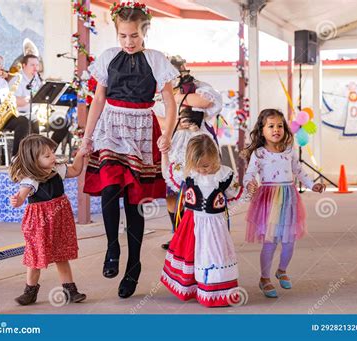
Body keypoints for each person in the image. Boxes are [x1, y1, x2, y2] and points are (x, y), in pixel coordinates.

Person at [79, 2, 178, 298]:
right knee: (110, 188)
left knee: (135, 202)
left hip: (142, 128)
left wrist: (169, 134)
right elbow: (97, 100)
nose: (128, 42)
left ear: (144, 32)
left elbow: (170, 102)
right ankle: (113, 247)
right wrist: (87, 137)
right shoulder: (109, 57)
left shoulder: (157, 60)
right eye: (123, 36)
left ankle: (133, 265)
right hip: (111, 126)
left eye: (133, 35)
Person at [242, 109, 325, 298]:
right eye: (270, 126)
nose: (276, 129)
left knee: (289, 241)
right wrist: (250, 184)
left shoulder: (289, 150)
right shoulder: (259, 153)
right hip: (269, 200)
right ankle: (264, 279)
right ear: (261, 130)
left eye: (280, 125)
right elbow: (248, 175)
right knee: (270, 241)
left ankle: (282, 270)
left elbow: (299, 171)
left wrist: (313, 185)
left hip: (289, 198)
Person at [161, 134, 243, 307]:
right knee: (193, 254)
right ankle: (193, 287)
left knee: (215, 254)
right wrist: (164, 154)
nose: (202, 170)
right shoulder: (188, 173)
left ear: (214, 157)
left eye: (206, 165)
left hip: (216, 225)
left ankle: (216, 291)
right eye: (198, 166)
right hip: (193, 223)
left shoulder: (225, 175)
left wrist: (251, 189)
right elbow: (167, 173)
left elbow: (236, 195)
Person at [9, 135, 87, 305]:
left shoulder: (57, 169)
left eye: (52, 153)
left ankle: (70, 290)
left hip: (60, 220)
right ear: (33, 160)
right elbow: (21, 197)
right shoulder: (30, 179)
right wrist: (17, 201)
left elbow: (75, 170)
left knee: (61, 255)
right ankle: (30, 291)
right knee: (36, 257)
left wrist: (80, 155)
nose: (53, 157)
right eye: (47, 156)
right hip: (40, 222)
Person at [160, 55, 223, 250]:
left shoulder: (196, 87)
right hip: (173, 141)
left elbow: (208, 101)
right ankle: (178, 235)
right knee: (172, 192)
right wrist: (175, 125)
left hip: (197, 140)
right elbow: (156, 118)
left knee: (201, 186)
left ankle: (202, 233)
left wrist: (177, 97)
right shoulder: (158, 91)